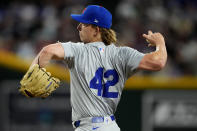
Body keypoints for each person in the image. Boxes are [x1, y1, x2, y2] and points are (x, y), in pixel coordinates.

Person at [30, 5, 167, 131]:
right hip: (111, 126)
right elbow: (159, 61)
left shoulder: (78, 50)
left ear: (96, 30)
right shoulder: (123, 54)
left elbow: (47, 51)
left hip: (89, 127)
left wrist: (32, 76)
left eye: (84, 24)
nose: (78, 27)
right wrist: (160, 42)